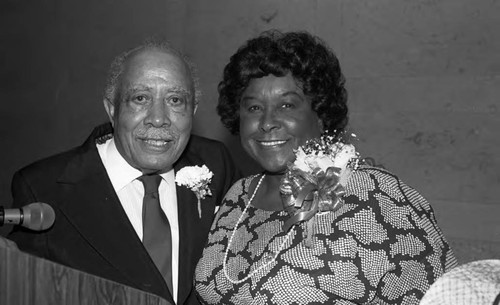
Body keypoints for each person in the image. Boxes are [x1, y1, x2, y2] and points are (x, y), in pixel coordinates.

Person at [194, 30, 457, 304]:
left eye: (286, 105)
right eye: (254, 108)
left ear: (320, 114)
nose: (267, 122)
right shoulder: (237, 196)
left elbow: (447, 297)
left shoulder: (378, 198)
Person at [8, 40, 239, 305]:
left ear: (193, 111)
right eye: (140, 98)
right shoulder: (45, 188)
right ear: (112, 109)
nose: (158, 117)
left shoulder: (216, 163)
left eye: (175, 100)